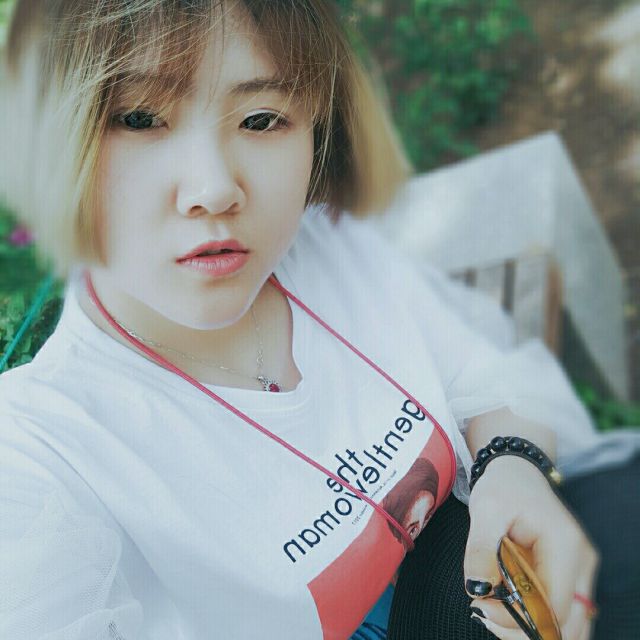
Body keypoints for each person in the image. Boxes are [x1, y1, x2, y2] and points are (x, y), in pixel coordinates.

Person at [0, 2, 638, 639]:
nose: (214, 189)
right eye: (140, 119)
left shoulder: (334, 247)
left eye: (261, 119)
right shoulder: (43, 454)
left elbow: (484, 365)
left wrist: (512, 465)